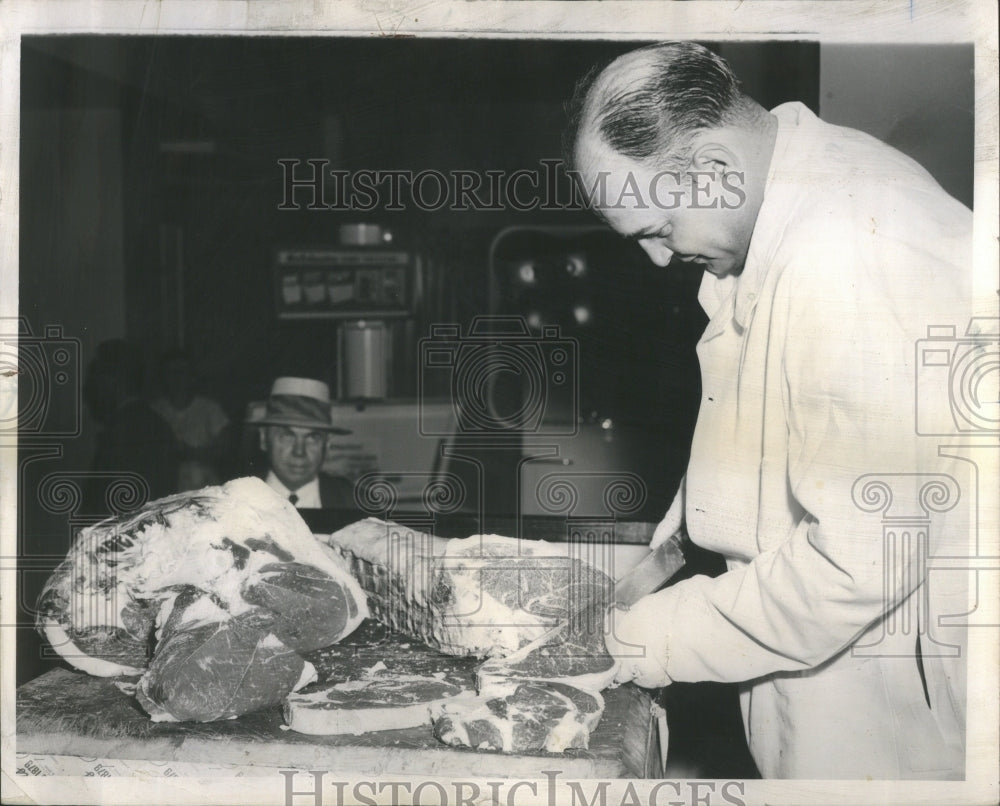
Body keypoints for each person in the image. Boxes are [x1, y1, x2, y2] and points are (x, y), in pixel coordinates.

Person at [566, 42, 977, 779]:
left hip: (894, 711)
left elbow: (860, 563)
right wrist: (666, 556)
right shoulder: (788, 206)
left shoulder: (853, 248)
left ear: (717, 170)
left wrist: (646, 641)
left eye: (659, 231)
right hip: (817, 663)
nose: (659, 260)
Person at [83, 339, 180, 510]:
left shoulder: (125, 431)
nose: (88, 388)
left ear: (115, 381)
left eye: (96, 378)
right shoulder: (151, 424)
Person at [250, 376, 354, 509]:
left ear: (327, 444)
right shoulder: (233, 502)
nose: (299, 452)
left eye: (312, 437)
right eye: (287, 436)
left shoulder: (355, 503)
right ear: (264, 439)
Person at [151, 349, 231, 490]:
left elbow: (224, 450)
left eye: (182, 372)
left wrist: (192, 453)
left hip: (204, 488)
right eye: (171, 372)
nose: (177, 378)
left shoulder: (210, 409)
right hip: (166, 489)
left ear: (192, 376)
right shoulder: (156, 410)